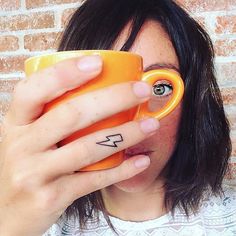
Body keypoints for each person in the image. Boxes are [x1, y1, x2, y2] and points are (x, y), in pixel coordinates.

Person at [0, 0, 235, 235]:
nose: (127, 123)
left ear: (191, 102)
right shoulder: (40, 221)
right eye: (99, 90)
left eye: (159, 88)